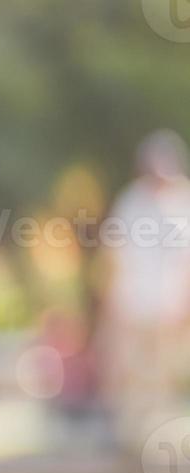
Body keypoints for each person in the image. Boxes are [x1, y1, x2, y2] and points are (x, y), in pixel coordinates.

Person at [95, 129, 190, 450]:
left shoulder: (182, 202)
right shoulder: (131, 201)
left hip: (167, 306)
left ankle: (158, 436)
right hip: (132, 304)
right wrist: (112, 303)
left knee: (162, 374)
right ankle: (129, 438)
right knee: (131, 372)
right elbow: (115, 254)